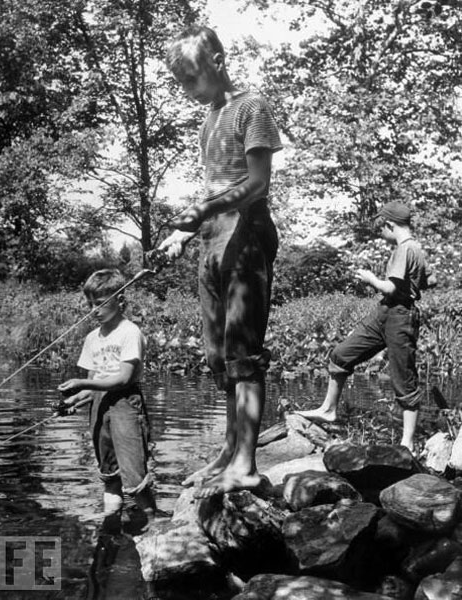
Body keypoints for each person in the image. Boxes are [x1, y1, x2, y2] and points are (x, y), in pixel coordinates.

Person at [159, 25, 282, 497]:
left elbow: (257, 183)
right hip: (211, 240)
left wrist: (206, 210)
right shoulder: (208, 119)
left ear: (217, 59)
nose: (187, 90)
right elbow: (212, 187)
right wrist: (179, 233)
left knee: (243, 355)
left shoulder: (251, 107)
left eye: (192, 78)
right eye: (181, 83)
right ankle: (229, 450)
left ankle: (246, 464)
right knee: (217, 356)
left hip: (246, 234)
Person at [297, 201, 435, 452]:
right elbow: (430, 281)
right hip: (385, 312)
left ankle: (407, 442)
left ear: (390, 224)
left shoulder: (405, 248)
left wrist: (370, 278)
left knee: (404, 377)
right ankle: (328, 410)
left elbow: (390, 287)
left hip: (400, 315)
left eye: (381, 228)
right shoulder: (416, 248)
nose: (381, 234)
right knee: (341, 354)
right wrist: (413, 283)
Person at [58, 269, 156, 520]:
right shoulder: (92, 338)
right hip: (100, 407)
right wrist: (73, 401)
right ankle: (110, 529)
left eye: (100, 303)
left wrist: (80, 383)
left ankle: (154, 529)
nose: (94, 310)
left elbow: (123, 378)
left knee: (135, 478)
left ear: (120, 301)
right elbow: (93, 386)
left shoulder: (129, 332)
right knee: (109, 476)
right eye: (90, 304)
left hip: (125, 404)